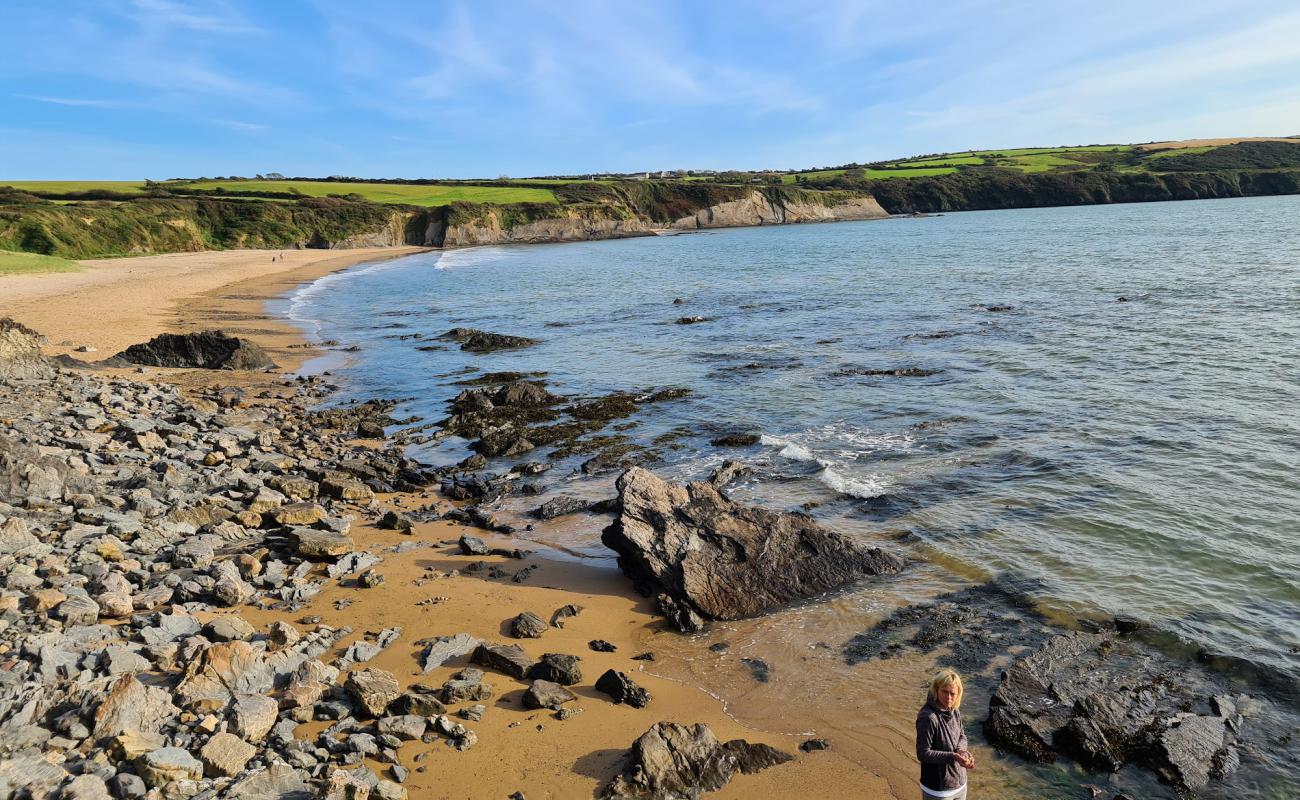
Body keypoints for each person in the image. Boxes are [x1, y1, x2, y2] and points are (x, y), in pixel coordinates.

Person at [916, 668, 974, 799]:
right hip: (938, 790)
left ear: (958, 693)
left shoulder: (954, 710)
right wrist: (953, 757)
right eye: (944, 692)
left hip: (960, 783)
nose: (949, 698)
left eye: (952, 693)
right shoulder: (928, 717)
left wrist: (962, 752)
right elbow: (923, 753)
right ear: (936, 690)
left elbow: (962, 736)